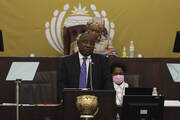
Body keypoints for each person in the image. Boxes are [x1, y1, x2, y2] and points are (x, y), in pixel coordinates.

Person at [57, 32, 114, 101]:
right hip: (72, 101)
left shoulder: (102, 61)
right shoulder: (67, 61)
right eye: (85, 42)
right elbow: (61, 83)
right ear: (78, 43)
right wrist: (63, 99)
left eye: (92, 43)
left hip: (95, 102)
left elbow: (107, 82)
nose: (88, 45)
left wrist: (108, 100)